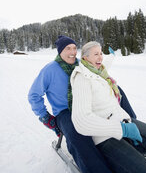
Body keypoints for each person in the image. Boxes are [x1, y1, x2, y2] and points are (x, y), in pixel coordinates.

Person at [71, 41, 146, 173]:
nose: (100, 57)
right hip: (105, 136)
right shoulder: (82, 78)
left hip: (124, 120)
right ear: (85, 58)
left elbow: (105, 63)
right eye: (96, 54)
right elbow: (81, 121)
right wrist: (122, 129)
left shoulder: (99, 71)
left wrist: (112, 55)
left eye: (101, 53)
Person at [28, 35, 112, 173]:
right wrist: (45, 116)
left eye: (74, 48)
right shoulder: (50, 69)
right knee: (77, 135)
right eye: (68, 48)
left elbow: (98, 78)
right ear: (60, 51)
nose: (73, 52)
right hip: (65, 112)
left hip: (87, 105)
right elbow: (34, 95)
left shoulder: (81, 64)